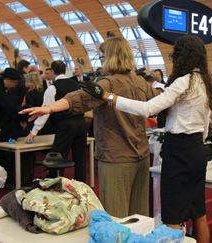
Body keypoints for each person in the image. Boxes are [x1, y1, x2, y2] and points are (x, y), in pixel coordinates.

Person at [80, 35, 212, 243]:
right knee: (199, 212)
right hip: (198, 148)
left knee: (172, 215)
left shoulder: (183, 82)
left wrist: (108, 97)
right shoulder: (204, 82)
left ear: (182, 56)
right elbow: (206, 123)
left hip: (179, 150)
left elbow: (147, 109)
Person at [20, 37, 161, 218]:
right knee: (139, 216)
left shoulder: (106, 84)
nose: (101, 60)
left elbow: (78, 98)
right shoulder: (141, 82)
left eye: (102, 56)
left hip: (115, 159)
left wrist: (48, 108)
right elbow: (160, 100)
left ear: (110, 56)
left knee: (115, 216)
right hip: (141, 157)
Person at [24, 61, 87, 182]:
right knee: (80, 159)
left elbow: (44, 111)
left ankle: (52, 183)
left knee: (57, 157)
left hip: (65, 124)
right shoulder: (77, 85)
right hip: (80, 122)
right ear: (65, 70)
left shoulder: (53, 88)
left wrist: (34, 131)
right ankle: (82, 186)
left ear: (52, 71)